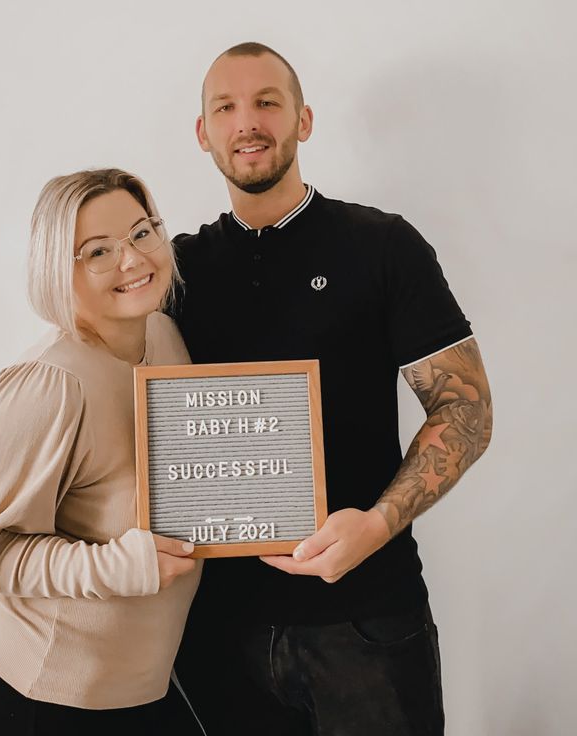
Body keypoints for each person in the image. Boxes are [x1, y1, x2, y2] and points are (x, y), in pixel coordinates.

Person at [171, 42, 493, 736]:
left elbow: (465, 405)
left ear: (304, 120)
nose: (246, 122)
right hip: (213, 634)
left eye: (267, 102)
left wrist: (376, 524)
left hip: (367, 619)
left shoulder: (381, 246)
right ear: (203, 133)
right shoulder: (172, 273)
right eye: (225, 107)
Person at [0, 168, 203, 735]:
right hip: (31, 705)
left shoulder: (165, 338)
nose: (132, 260)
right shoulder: (49, 385)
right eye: (97, 251)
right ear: (59, 270)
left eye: (141, 232)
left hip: (144, 693)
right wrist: (117, 567)